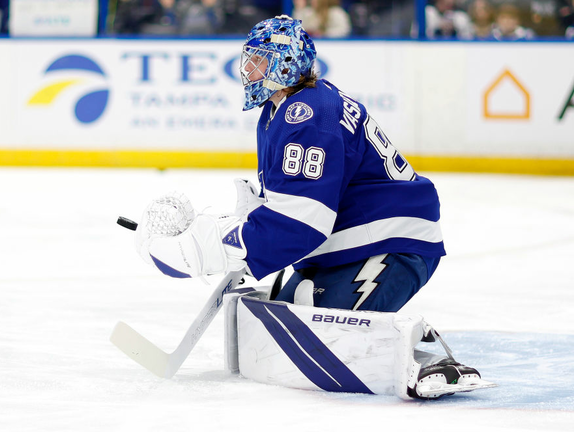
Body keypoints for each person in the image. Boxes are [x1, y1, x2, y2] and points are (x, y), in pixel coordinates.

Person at [134, 16, 490, 398]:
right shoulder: (282, 108)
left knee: (326, 342)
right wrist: (253, 217)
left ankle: (428, 359)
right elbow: (299, 201)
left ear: (284, 64)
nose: (247, 68)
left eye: (259, 59)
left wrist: (215, 247)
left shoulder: (307, 113)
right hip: (350, 242)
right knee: (284, 329)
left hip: (392, 241)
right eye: (248, 58)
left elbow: (302, 223)